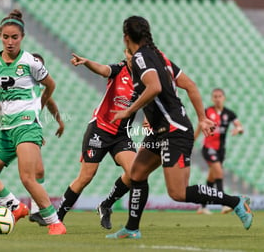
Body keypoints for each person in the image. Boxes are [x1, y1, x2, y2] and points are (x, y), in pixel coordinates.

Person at [106, 16, 252, 239]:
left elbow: (154, 87)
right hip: (161, 130)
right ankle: (132, 228)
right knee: (136, 173)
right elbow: (189, 85)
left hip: (174, 130)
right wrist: (202, 118)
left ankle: (236, 201)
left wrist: (128, 111)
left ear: (126, 38)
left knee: (178, 192)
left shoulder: (140, 58)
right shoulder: (159, 56)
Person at [0, 10, 66, 235]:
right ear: (0, 36)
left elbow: (51, 85)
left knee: (28, 178)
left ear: (22, 37)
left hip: (26, 126)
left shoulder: (30, 62)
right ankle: (16, 207)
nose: (10, 42)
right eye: (6, 37)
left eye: (15, 37)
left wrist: (38, 104)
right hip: (4, 129)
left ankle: (55, 223)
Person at [56, 50, 137, 230]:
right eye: (130, 54)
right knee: (86, 176)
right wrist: (86, 62)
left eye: (136, 54)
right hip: (99, 130)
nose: (133, 57)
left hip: (122, 135)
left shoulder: (144, 78)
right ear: (125, 53)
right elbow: (103, 69)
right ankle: (57, 218)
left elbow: (151, 98)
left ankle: (106, 205)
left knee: (135, 174)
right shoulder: (119, 70)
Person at [195, 88, 244, 215]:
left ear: (224, 98)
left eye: (220, 96)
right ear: (212, 98)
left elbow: (239, 126)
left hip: (221, 150)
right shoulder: (207, 111)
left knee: (212, 178)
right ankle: (224, 205)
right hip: (208, 148)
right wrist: (191, 140)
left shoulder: (229, 113)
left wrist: (238, 129)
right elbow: (200, 126)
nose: (217, 98)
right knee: (219, 173)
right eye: (215, 96)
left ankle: (203, 206)